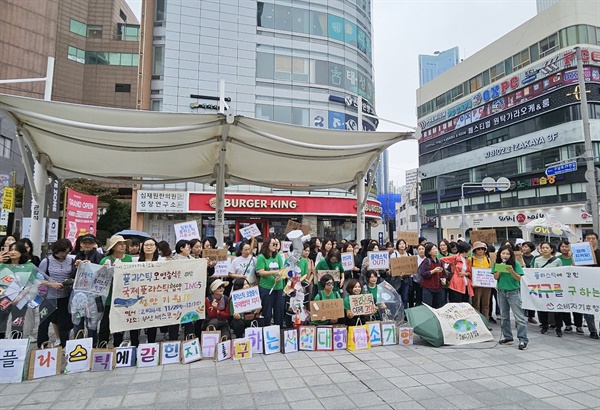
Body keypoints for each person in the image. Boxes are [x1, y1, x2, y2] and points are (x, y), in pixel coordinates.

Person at [37, 238, 75, 348]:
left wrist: (69, 282)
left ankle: (64, 345)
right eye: (62, 252)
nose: (64, 255)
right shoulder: (46, 262)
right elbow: (38, 278)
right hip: (48, 297)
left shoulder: (70, 261)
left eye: (66, 252)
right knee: (44, 322)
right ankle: (42, 344)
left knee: (63, 323)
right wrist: (51, 284)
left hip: (64, 296)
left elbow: (73, 276)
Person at [98, 235, 133, 347]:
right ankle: (102, 346)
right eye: (119, 244)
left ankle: (118, 347)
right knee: (105, 323)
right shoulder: (105, 260)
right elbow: (99, 278)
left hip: (123, 294)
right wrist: (105, 270)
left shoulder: (129, 258)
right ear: (113, 247)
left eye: (124, 244)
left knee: (119, 322)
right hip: (108, 295)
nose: (123, 246)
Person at [493, 245, 528, 350]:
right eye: (503, 253)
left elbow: (519, 278)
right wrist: (500, 268)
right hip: (501, 292)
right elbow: (495, 277)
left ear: (511, 255)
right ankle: (508, 337)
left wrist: (511, 270)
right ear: (499, 254)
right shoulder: (497, 264)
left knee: (519, 317)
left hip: (513, 292)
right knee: (504, 316)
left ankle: (523, 339)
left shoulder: (516, 264)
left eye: (507, 254)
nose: (505, 255)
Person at [71, 234, 104, 346]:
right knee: (77, 320)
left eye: (90, 243)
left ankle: (92, 345)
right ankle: (78, 345)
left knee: (92, 322)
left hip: (94, 295)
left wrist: (92, 265)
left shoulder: (99, 256)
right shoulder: (78, 256)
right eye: (85, 243)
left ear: (94, 244)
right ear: (81, 244)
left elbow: (103, 273)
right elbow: (73, 275)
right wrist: (76, 266)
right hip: (79, 293)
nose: (87, 245)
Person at [0, 242, 37, 339]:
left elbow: (30, 283)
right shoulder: (3, 265)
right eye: (11, 249)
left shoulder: (29, 266)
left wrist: (19, 296)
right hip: (4, 298)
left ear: (22, 252)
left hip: (21, 300)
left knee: (17, 324)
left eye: (16, 250)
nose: (12, 252)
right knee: (2, 323)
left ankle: (16, 347)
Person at [135, 238, 161, 345]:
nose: (149, 247)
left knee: (152, 322)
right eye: (146, 245)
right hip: (138, 297)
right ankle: (134, 345)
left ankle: (151, 345)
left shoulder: (161, 262)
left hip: (154, 297)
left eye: (151, 245)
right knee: (135, 322)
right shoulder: (135, 262)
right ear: (142, 247)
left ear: (156, 247)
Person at [533, 242, 562, 335]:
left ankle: (558, 327)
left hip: (555, 287)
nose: (545, 249)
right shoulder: (537, 260)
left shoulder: (557, 260)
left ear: (551, 249)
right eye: (543, 248)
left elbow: (561, 274)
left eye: (547, 248)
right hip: (542, 286)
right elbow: (534, 273)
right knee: (543, 307)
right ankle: (544, 325)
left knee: (557, 308)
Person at [256, 236, 284, 327]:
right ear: (267, 245)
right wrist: (274, 272)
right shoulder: (261, 257)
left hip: (278, 287)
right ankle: (266, 329)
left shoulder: (278, 256)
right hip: (266, 287)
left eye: (276, 244)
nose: (275, 246)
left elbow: (282, 270)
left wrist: (280, 276)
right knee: (267, 312)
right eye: (273, 244)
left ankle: (278, 330)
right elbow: (260, 272)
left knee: (279, 311)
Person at [578, 232, 599, 339]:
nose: (591, 240)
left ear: (596, 240)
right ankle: (592, 330)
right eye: (588, 238)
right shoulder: (579, 253)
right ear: (584, 240)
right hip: (585, 286)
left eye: (593, 238)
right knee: (587, 309)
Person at [470, 241, 492, 329]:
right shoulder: (470, 259)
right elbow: (468, 271)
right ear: (474, 250)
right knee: (476, 304)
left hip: (486, 284)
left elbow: (491, 270)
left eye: (483, 249)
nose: (481, 251)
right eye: (478, 249)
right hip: (476, 285)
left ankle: (485, 322)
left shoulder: (488, 259)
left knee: (486, 304)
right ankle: (477, 322)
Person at [554, 240, 574, 335]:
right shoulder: (557, 259)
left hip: (574, 285)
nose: (564, 248)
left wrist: (573, 258)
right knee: (564, 305)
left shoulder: (574, 257)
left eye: (566, 246)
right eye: (562, 246)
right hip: (561, 285)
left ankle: (578, 325)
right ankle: (567, 324)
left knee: (575, 304)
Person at [418, 244, 447, 309]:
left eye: (436, 249)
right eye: (433, 249)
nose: (435, 250)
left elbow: (443, 274)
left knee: (438, 306)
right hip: (428, 288)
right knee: (428, 306)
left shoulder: (439, 261)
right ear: (429, 252)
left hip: (438, 288)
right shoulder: (426, 261)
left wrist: (444, 279)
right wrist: (433, 271)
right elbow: (422, 274)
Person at [390, 239, 412, 310]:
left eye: (403, 243)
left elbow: (411, 268)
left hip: (406, 279)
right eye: (400, 244)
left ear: (406, 245)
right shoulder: (394, 255)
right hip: (396, 279)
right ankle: (396, 314)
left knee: (405, 298)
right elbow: (392, 267)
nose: (402, 245)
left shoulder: (409, 255)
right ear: (397, 246)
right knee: (395, 297)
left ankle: (405, 314)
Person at [520, 241, 538, 324]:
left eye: (526, 247)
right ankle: (521, 316)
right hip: (521, 280)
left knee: (531, 297)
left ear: (531, 249)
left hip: (530, 281)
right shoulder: (519, 257)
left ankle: (531, 316)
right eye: (523, 246)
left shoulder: (534, 258)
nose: (524, 248)